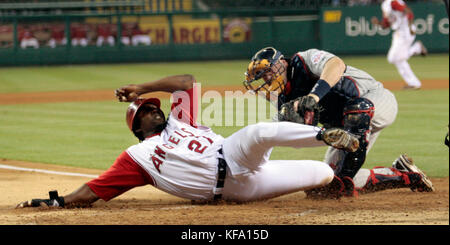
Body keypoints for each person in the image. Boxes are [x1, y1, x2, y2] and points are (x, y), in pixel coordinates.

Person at [16, 74, 361, 209]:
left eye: (153, 107)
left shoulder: (182, 118)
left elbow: (186, 81)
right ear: (137, 127)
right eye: (146, 112)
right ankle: (334, 167)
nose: (154, 110)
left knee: (260, 132)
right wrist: (56, 203)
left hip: (236, 155)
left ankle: (324, 134)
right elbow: (94, 190)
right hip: (238, 191)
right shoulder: (138, 155)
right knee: (322, 173)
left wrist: (141, 89)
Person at [243, 47, 434, 198]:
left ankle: (346, 179)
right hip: (345, 128)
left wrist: (314, 96)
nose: (266, 81)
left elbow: (336, 64)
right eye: (261, 78)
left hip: (375, 99)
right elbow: (275, 133)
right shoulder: (282, 100)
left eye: (267, 73)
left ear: (281, 64)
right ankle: (404, 175)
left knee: (357, 111)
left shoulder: (303, 60)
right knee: (326, 186)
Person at [371, 0, 427, 90]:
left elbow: (408, 12)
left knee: (394, 58)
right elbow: (386, 24)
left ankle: (414, 83)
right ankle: (416, 49)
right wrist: (378, 23)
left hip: (405, 31)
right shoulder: (385, 5)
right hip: (399, 32)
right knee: (396, 59)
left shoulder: (393, 2)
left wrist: (410, 26)